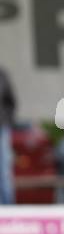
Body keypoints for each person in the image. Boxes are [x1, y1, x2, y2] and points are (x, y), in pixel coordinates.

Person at [0, 67, 16, 204]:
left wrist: (6, 121)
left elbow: (11, 102)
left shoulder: (2, 74)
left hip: (2, 128)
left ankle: (8, 210)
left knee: (4, 172)